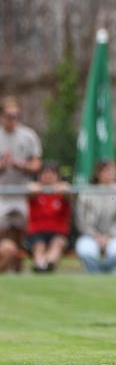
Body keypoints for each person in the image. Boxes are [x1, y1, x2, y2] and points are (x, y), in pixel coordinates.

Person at [0, 96, 42, 273]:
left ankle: (18, 267)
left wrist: (22, 165)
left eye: (17, 116)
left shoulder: (28, 135)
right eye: (10, 115)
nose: (13, 119)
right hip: (2, 193)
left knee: (22, 232)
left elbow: (37, 164)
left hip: (21, 192)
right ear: (2, 116)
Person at [75, 160, 116, 274]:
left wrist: (110, 235)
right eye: (107, 171)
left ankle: (104, 272)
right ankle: (97, 275)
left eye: (113, 171)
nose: (111, 174)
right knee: (85, 251)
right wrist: (95, 235)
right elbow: (81, 220)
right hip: (91, 237)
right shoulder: (86, 192)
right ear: (98, 173)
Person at [25, 161, 71, 273]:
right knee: (39, 245)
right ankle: (40, 265)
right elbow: (30, 190)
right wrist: (36, 187)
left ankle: (48, 264)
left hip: (58, 233)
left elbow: (69, 193)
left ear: (58, 176)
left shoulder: (63, 192)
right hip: (37, 233)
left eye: (52, 173)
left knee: (57, 243)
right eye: (45, 173)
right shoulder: (35, 191)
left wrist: (62, 187)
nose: (48, 176)